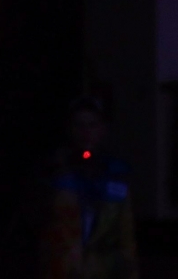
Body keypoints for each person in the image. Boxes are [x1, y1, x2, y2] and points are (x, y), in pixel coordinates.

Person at [40, 99, 137, 279]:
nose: (86, 132)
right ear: (70, 129)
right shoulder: (53, 172)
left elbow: (126, 234)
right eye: (79, 125)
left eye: (92, 125)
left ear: (102, 129)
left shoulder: (116, 174)